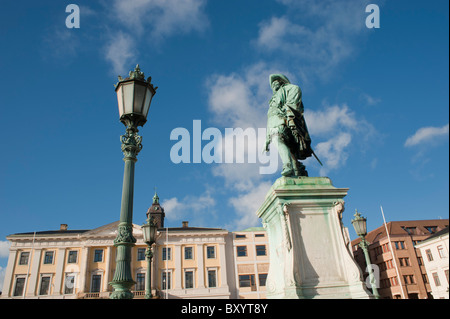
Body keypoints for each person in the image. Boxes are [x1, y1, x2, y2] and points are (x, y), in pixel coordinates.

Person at [264, 74, 313, 177]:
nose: (274, 83)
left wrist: (288, 112)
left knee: (277, 138)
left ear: (282, 81)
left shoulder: (291, 88)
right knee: (289, 147)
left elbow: (295, 98)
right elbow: (270, 120)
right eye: (272, 83)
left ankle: (287, 165)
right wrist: (267, 139)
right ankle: (296, 170)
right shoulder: (272, 101)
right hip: (275, 123)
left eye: (277, 81)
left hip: (283, 120)